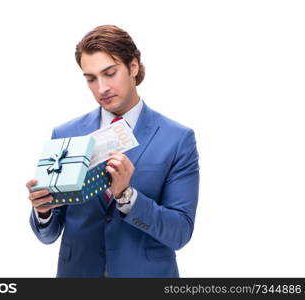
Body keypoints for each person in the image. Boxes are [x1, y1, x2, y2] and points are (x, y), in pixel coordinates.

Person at [26, 25, 199, 278]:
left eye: (110, 73)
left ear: (133, 67)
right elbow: (48, 235)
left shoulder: (177, 139)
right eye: (91, 78)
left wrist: (127, 196)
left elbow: (180, 233)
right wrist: (43, 211)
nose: (101, 88)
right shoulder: (65, 134)